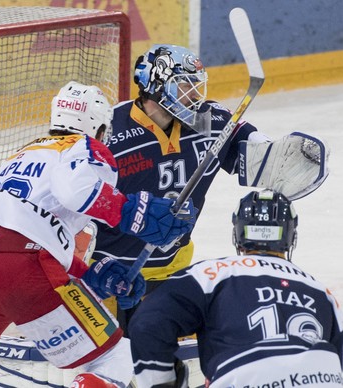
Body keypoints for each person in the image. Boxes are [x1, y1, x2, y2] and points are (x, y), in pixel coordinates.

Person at [0, 81, 197, 388]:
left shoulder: (20, 156)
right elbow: (73, 191)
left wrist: (89, 273)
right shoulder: (86, 147)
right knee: (115, 358)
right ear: (101, 128)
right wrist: (133, 214)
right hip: (22, 269)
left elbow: (22, 231)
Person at [92, 44, 329, 333]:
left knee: (165, 362)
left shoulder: (210, 120)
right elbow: (75, 197)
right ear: (156, 86)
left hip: (173, 269)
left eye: (197, 86)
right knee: (109, 365)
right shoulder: (110, 131)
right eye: (184, 86)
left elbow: (258, 156)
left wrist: (281, 160)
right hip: (109, 273)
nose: (194, 95)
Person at [128, 189, 343, 387]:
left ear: (238, 233)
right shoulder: (322, 292)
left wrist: (161, 382)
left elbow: (147, 324)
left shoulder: (210, 274)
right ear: (290, 236)